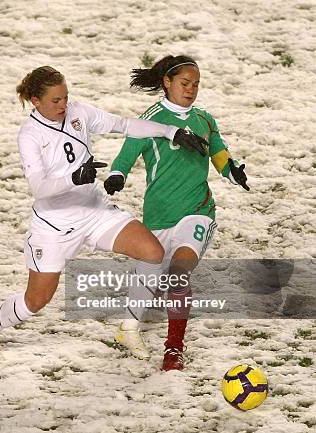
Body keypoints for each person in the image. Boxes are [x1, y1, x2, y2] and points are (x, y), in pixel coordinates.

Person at [0, 65, 210, 356]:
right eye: (55, 101)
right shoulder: (30, 136)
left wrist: (171, 132)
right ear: (36, 101)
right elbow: (39, 187)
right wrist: (74, 178)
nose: (63, 105)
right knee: (37, 300)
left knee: (152, 252)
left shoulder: (78, 112)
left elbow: (124, 125)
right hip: (54, 226)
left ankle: (128, 330)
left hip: (93, 210)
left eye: (65, 97)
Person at [106, 55, 249, 370]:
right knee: (145, 286)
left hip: (197, 211)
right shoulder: (151, 120)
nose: (191, 90)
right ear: (167, 82)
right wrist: (116, 175)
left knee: (179, 272)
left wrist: (232, 170)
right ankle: (127, 330)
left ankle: (173, 350)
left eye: (196, 84)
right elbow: (125, 156)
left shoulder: (204, 119)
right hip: (158, 218)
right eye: (185, 83)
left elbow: (219, 151)